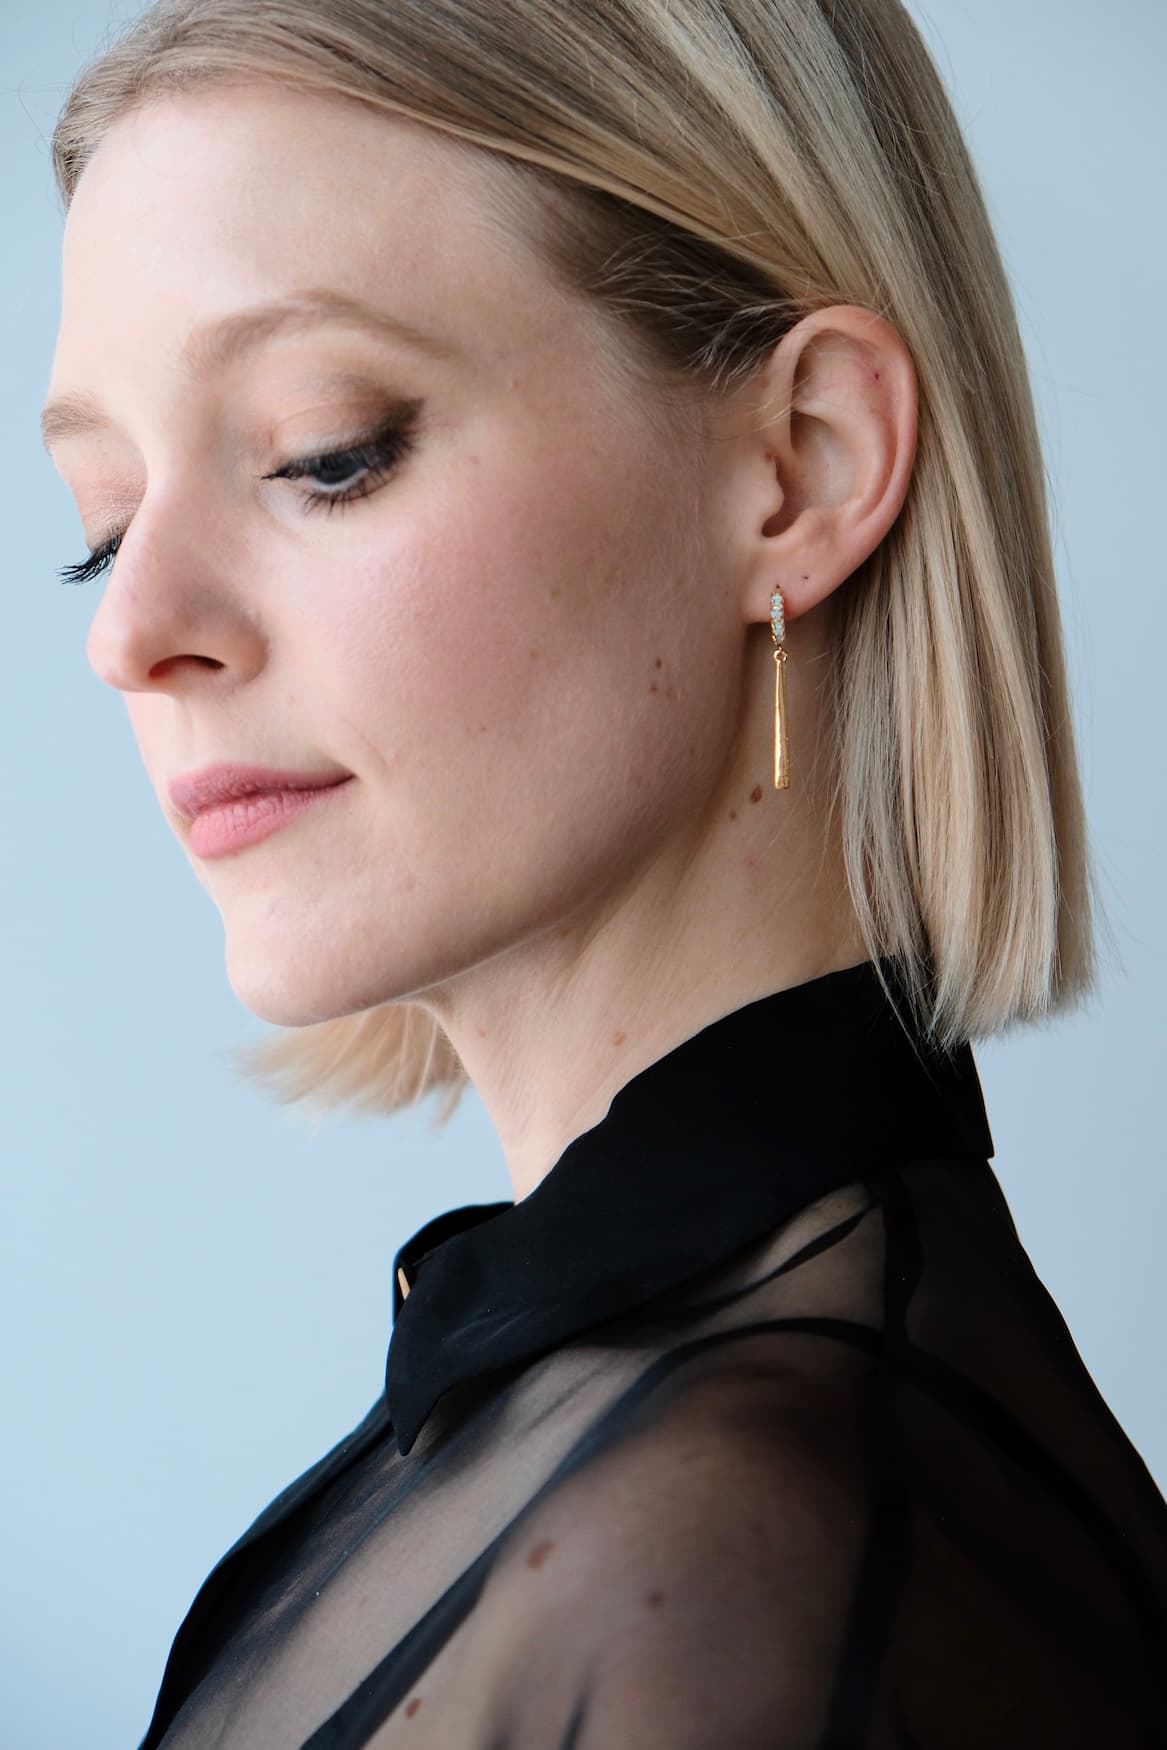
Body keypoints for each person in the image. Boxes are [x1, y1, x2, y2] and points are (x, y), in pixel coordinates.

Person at [41, 0, 1166, 1744]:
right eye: (100, 520)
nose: (132, 627)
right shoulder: (635, 1456)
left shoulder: (742, 1561)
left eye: (322, 450)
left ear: (804, 466)